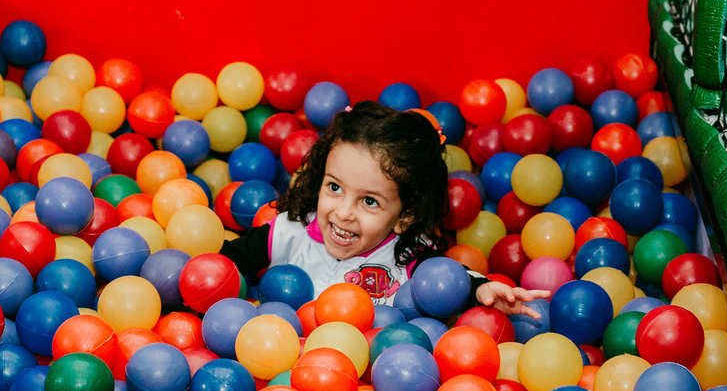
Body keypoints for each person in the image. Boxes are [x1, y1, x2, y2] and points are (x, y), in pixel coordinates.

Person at [220, 100, 548, 317]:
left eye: (369, 201)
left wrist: (482, 289)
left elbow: (449, 281)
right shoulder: (290, 232)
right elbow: (225, 263)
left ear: (405, 217)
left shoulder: (406, 256)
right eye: (334, 187)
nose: (344, 212)